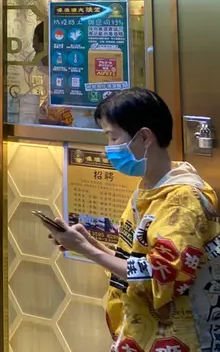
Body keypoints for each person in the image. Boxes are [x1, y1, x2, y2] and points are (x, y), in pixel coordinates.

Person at [48, 88, 220, 351]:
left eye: (114, 137)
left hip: (179, 340)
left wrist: (87, 250)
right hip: (141, 335)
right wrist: (90, 244)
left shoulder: (182, 200)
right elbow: (134, 264)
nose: (110, 148)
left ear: (145, 137)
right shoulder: (150, 188)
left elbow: (159, 275)